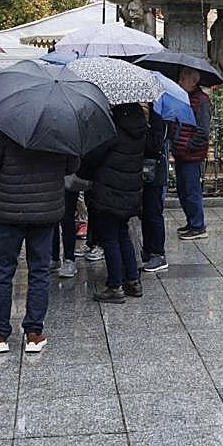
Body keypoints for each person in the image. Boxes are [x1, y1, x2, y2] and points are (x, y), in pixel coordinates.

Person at [0, 126, 78, 354]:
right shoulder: (61, 127)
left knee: (2, 271)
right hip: (46, 210)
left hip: (8, 210)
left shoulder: (4, 128)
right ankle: (34, 333)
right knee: (39, 271)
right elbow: (72, 166)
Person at [87, 103, 151, 303]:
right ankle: (133, 280)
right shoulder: (140, 129)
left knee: (110, 238)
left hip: (109, 192)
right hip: (130, 192)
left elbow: (93, 157)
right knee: (123, 234)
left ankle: (115, 286)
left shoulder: (112, 130)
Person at [171, 66, 211, 240]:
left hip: (192, 155)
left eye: (182, 78)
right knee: (183, 190)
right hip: (181, 152)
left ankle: (198, 226)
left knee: (191, 190)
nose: (179, 81)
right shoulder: (184, 98)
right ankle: (191, 221)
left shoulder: (201, 101)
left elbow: (203, 131)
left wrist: (187, 145)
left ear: (193, 81)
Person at [140, 109, 171, 273]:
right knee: (146, 212)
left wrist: (142, 131)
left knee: (153, 212)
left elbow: (154, 144)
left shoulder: (158, 116)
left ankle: (158, 253)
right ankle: (148, 249)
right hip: (145, 172)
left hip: (155, 172)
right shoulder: (150, 114)